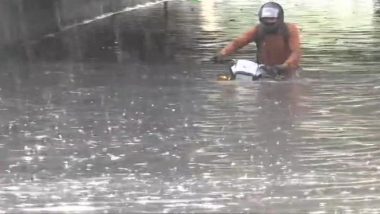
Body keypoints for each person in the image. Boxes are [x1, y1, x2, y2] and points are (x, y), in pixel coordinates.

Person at [213, 2, 302, 79]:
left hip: (288, 71)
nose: (269, 22)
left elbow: (295, 53)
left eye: (272, 19)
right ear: (261, 19)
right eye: (266, 19)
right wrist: (221, 54)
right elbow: (238, 43)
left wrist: (284, 66)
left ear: (280, 18)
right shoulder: (258, 30)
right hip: (264, 69)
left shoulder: (290, 30)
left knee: (290, 91)